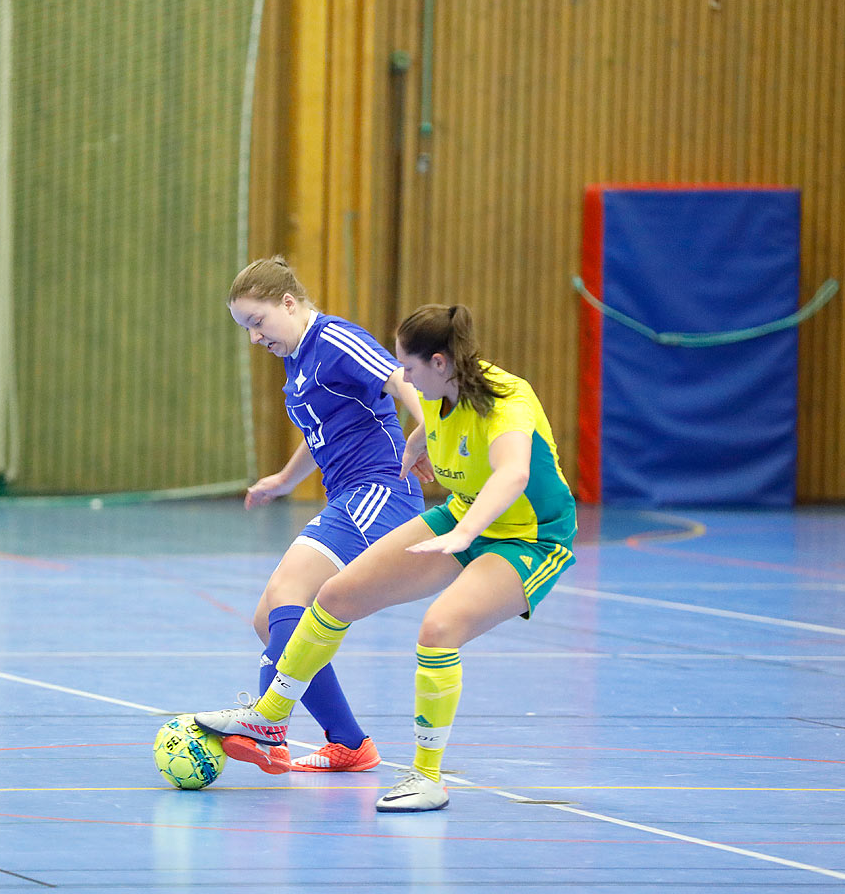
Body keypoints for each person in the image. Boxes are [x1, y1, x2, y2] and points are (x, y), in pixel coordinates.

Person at [196, 303, 576, 811]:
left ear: (440, 363)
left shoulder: (507, 399)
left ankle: (427, 778)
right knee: (334, 596)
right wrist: (417, 442)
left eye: (409, 367)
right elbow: (430, 420)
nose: (402, 377)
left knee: (438, 630)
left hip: (529, 537)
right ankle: (269, 716)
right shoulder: (437, 392)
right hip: (463, 513)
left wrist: (464, 534)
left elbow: (513, 475)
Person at [223, 256, 429, 773]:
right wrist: (284, 480)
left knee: (288, 597)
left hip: (380, 489)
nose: (255, 339)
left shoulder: (333, 338)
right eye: (246, 329)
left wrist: (426, 432)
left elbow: (401, 379)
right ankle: (349, 743)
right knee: (266, 619)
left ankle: (269, 726)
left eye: (257, 323)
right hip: (348, 494)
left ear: (288, 304)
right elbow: (323, 430)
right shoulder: (296, 357)